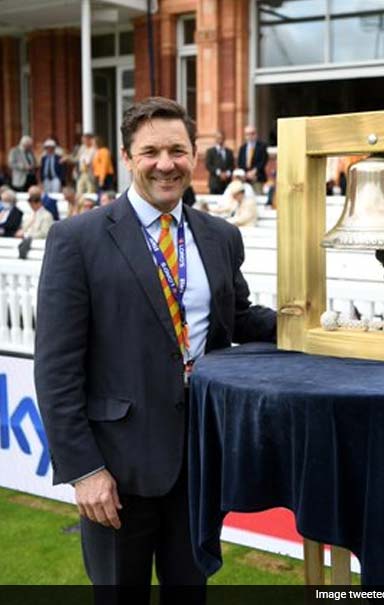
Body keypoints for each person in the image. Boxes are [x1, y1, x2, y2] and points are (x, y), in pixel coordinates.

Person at [34, 96, 277, 594]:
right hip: (116, 473)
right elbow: (56, 369)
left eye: (177, 150)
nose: (165, 164)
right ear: (127, 158)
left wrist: (314, 322)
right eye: (150, 152)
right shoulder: (76, 239)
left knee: (190, 590)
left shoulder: (221, 236)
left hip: (199, 462)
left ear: (194, 155)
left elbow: (238, 319)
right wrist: (84, 470)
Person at [237, 125, 268, 195]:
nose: (250, 136)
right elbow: (240, 163)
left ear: (256, 134)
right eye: (247, 134)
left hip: (257, 178)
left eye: (252, 133)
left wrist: (254, 171)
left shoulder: (262, 146)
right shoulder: (242, 148)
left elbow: (263, 161)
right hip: (245, 179)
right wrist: (246, 174)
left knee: (258, 198)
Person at [204, 130, 235, 195]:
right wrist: (219, 173)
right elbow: (208, 165)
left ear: (224, 139)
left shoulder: (229, 152)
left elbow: (232, 165)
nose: (220, 140)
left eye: (221, 138)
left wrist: (227, 173)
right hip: (215, 183)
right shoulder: (210, 151)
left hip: (227, 183)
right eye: (218, 138)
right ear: (215, 139)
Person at [75, 133, 97, 197]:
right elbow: (77, 158)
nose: (83, 142)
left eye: (85, 140)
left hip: (90, 172)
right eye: (83, 140)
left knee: (90, 190)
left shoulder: (94, 149)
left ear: (90, 140)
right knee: (79, 189)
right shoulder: (82, 148)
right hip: (82, 172)